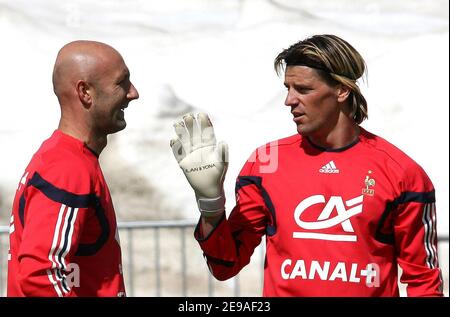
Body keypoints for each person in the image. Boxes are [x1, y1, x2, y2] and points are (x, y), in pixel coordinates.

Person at [170, 34, 443, 296]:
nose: (289, 100)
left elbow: (424, 281)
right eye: (287, 89)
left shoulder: (403, 174)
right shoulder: (266, 162)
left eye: (303, 89)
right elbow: (224, 265)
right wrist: (210, 204)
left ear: (341, 90)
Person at [7, 40, 139, 297]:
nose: (133, 93)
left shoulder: (66, 159)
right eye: (122, 82)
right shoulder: (67, 167)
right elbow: (42, 275)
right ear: (85, 92)